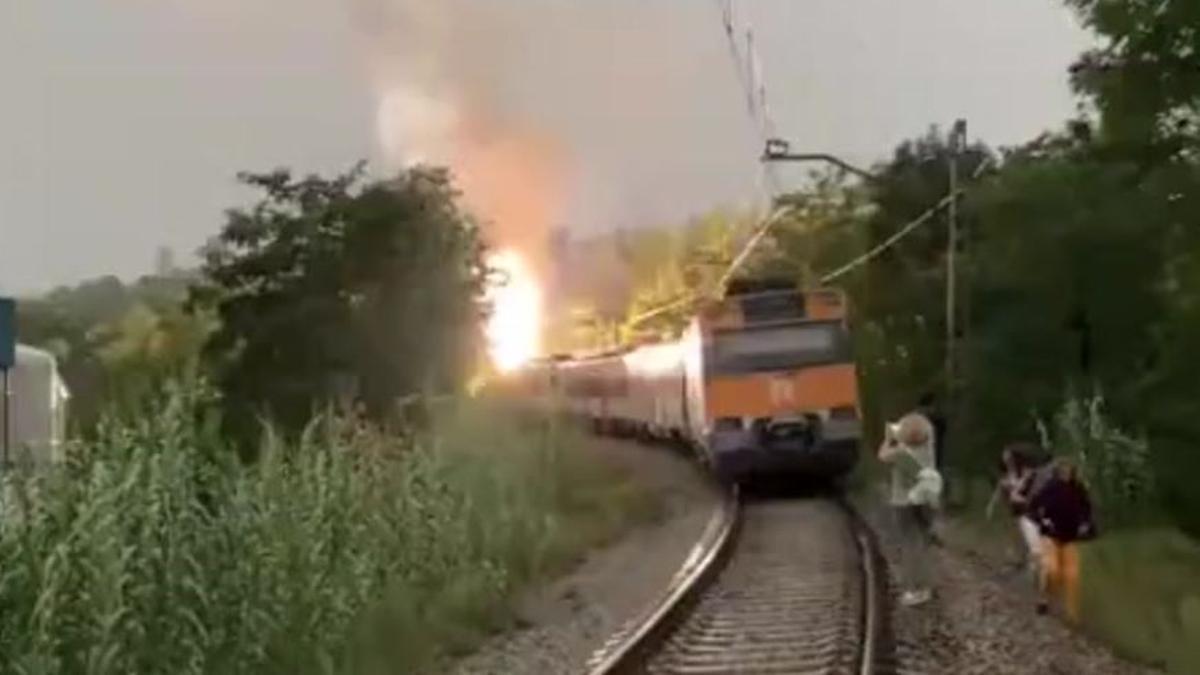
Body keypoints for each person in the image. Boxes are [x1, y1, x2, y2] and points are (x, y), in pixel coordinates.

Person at [878, 412, 944, 607]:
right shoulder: (928, 443)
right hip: (927, 497)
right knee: (923, 542)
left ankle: (916, 589)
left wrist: (889, 438)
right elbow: (920, 429)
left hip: (903, 502)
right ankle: (927, 585)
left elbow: (882, 455)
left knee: (910, 545)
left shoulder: (900, 454)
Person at [1028, 457, 1097, 622]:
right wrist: (1042, 520)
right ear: (1058, 472)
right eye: (1063, 470)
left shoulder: (1078, 489)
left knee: (1072, 575)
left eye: (1069, 470)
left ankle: (1072, 614)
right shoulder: (1050, 488)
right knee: (1052, 569)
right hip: (1051, 535)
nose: (1066, 473)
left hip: (1070, 536)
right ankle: (1044, 599)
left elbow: (1087, 509)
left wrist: (1085, 524)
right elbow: (1033, 507)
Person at [986, 442, 1053, 576]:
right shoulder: (1011, 474)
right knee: (1027, 547)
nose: (1005, 457)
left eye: (1008, 455)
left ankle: (1035, 578)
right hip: (1019, 513)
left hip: (1029, 513)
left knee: (1035, 548)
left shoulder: (1030, 474)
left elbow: (1020, 493)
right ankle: (1028, 576)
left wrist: (1013, 491)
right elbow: (1004, 494)